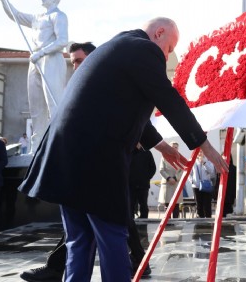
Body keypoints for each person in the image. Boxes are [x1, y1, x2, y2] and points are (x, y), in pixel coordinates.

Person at [18, 17, 227, 282]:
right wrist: (202, 143)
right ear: (159, 33)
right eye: (170, 47)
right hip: (96, 157)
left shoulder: (117, 47)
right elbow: (167, 97)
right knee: (112, 236)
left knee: (79, 239)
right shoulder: (144, 49)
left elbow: (114, 105)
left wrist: (161, 145)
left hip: (64, 153)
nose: (167, 55)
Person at [20, 42, 155, 282]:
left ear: (95, 60)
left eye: (81, 61)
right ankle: (136, 262)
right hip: (77, 170)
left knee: (109, 231)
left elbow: (138, 118)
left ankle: (137, 262)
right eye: (73, 62)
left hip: (105, 170)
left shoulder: (109, 82)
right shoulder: (80, 86)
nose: (76, 67)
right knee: (87, 234)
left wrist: (160, 144)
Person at [0, 0, 68, 152]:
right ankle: (36, 147)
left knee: (54, 104)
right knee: (36, 108)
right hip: (35, 60)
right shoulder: (37, 17)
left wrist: (41, 52)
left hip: (51, 58)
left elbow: (63, 40)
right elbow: (15, 15)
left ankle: (59, 143)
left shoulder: (59, 16)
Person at [129, 144, 156, 219]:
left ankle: (144, 223)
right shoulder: (129, 152)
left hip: (143, 185)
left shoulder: (147, 153)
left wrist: (146, 177)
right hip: (131, 184)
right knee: (130, 204)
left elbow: (153, 168)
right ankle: (130, 224)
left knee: (143, 204)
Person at [158, 142, 181, 219]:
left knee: (176, 205)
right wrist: (168, 178)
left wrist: (175, 178)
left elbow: (182, 170)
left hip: (176, 184)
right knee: (167, 206)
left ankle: (176, 222)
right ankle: (167, 223)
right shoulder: (164, 157)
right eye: (173, 147)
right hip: (167, 183)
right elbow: (161, 170)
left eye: (176, 147)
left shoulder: (180, 158)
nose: (175, 148)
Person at [191, 152, 216, 218]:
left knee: (207, 205)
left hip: (206, 185)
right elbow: (189, 173)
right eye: (198, 152)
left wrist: (204, 163)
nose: (200, 153)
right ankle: (200, 223)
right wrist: (192, 181)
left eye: (201, 152)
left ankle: (208, 221)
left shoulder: (209, 160)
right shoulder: (193, 161)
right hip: (196, 186)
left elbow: (212, 172)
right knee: (199, 205)